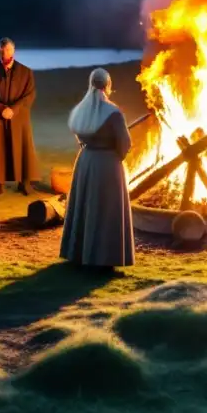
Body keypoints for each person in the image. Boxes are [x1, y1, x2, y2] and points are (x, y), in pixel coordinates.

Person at [59, 67, 135, 271]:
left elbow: (79, 135)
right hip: (107, 165)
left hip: (85, 161)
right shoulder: (113, 112)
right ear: (108, 85)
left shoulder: (81, 109)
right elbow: (125, 143)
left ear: (91, 84)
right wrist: (116, 157)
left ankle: (79, 253)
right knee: (106, 210)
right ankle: (103, 259)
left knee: (86, 207)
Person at [0, 38, 39, 197]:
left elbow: (29, 95)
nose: (3, 53)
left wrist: (13, 109)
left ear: (13, 51)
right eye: (0, 50)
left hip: (18, 117)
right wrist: (1, 109)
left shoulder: (25, 72)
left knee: (22, 148)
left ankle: (24, 183)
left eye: (6, 50)